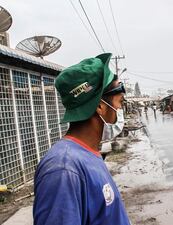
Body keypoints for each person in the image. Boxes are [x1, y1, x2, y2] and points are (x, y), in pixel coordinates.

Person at [33, 53, 131, 225]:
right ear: (100, 106)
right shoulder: (64, 169)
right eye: (120, 103)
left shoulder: (87, 154)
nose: (120, 110)